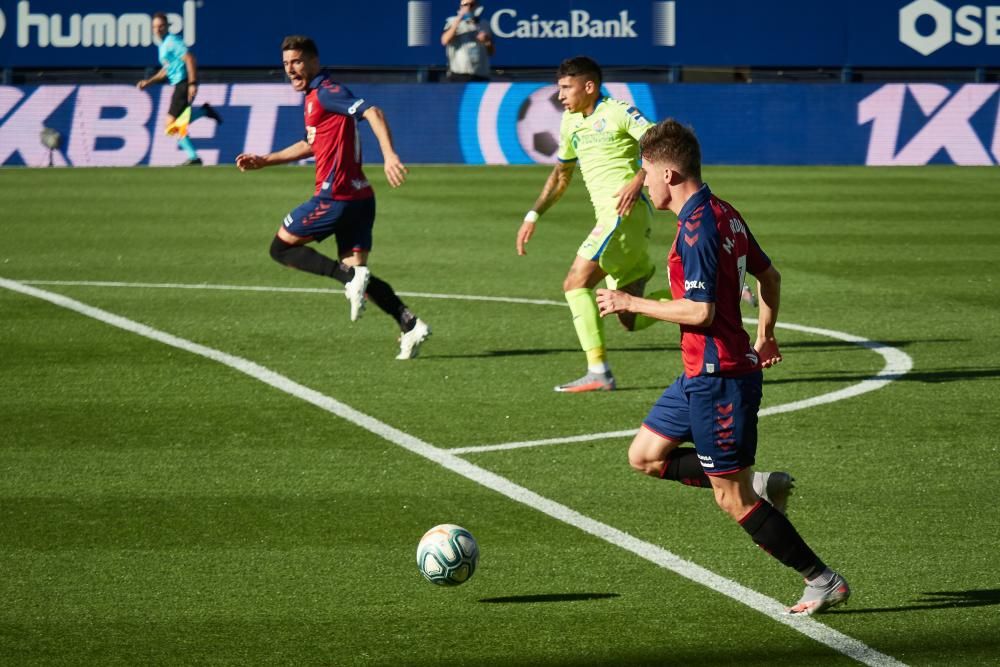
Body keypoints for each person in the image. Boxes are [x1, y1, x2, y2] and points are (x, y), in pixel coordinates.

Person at [595, 119, 850, 615]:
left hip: (721, 378)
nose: (642, 184)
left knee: (730, 500)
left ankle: (822, 579)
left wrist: (631, 301)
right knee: (644, 456)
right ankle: (751, 480)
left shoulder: (697, 229)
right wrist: (766, 332)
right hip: (698, 373)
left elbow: (700, 312)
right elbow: (769, 276)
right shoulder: (724, 213)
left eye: (645, 173)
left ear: (669, 174)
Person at [235, 35, 431, 360]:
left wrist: (389, 155)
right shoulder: (315, 96)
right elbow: (311, 143)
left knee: (281, 248)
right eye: (286, 64)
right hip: (360, 199)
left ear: (313, 61)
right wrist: (265, 160)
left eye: (296, 62)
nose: (291, 70)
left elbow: (373, 112)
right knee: (361, 278)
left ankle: (348, 277)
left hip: (334, 197)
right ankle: (409, 324)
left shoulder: (327, 91)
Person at [516, 56, 656, 393]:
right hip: (617, 221)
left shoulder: (618, 111)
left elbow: (662, 142)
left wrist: (639, 180)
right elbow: (562, 176)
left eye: (567, 87)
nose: (561, 95)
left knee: (574, 282)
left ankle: (598, 371)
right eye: (559, 88)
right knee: (628, 316)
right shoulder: (570, 122)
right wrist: (533, 214)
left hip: (623, 213)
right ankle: (713, 295)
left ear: (589, 86)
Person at [137, 12, 222, 166]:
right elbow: (166, 70)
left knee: (171, 125)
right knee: (176, 125)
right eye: (155, 27)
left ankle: (194, 155)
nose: (158, 29)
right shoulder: (162, 45)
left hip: (183, 83)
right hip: (179, 84)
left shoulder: (171, 41)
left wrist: (192, 83)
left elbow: (189, 58)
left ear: (167, 26)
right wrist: (148, 82)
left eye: (161, 26)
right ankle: (203, 114)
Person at [441, 0, 494, 82]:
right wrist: (458, 21)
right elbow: (445, 40)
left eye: (472, 4)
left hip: (480, 75)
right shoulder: (452, 22)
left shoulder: (485, 24)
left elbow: (491, 52)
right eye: (465, 5)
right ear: (460, 6)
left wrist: (486, 41)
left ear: (477, 6)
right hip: (459, 74)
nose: (468, 7)